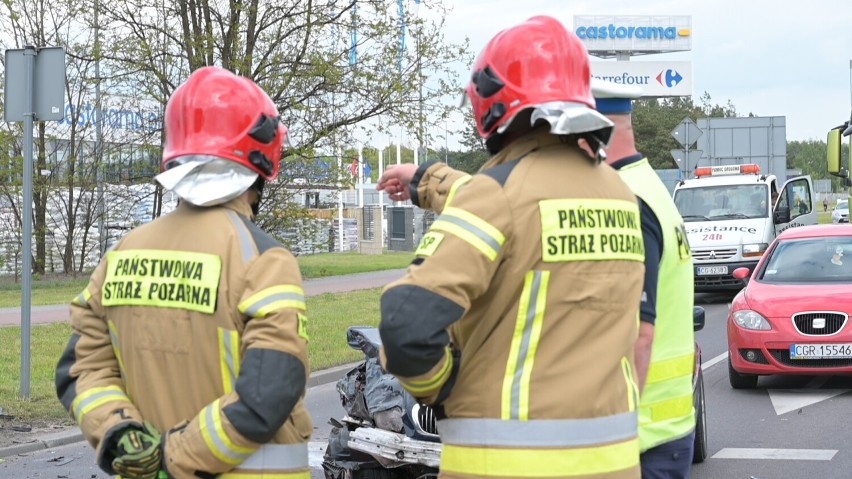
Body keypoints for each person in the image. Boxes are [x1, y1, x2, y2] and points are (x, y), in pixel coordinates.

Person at [377, 16, 645, 479]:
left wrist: (441, 386)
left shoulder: (498, 194)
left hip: (502, 466)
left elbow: (405, 324)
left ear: (490, 101)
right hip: (614, 463)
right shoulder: (620, 195)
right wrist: (428, 180)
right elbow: (524, 213)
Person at [55, 66, 312, 479]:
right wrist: (176, 456)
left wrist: (120, 431)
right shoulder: (264, 259)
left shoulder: (121, 254)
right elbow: (270, 393)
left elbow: (81, 370)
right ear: (263, 157)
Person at [592, 79, 697, 479]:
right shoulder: (650, 187)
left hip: (640, 439)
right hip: (663, 430)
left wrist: (608, 441)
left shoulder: (627, 200)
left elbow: (641, 334)